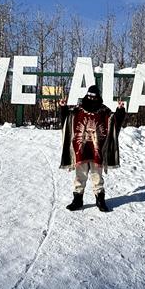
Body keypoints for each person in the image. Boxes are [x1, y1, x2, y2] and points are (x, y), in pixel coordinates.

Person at [59, 84, 126, 212]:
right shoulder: (78, 109)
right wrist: (63, 108)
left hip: (97, 150)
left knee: (97, 176)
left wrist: (120, 110)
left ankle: (100, 200)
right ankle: (77, 200)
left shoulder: (103, 110)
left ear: (98, 97)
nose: (91, 99)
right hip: (81, 150)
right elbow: (68, 119)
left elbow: (114, 122)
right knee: (80, 175)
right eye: (89, 96)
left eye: (93, 97)